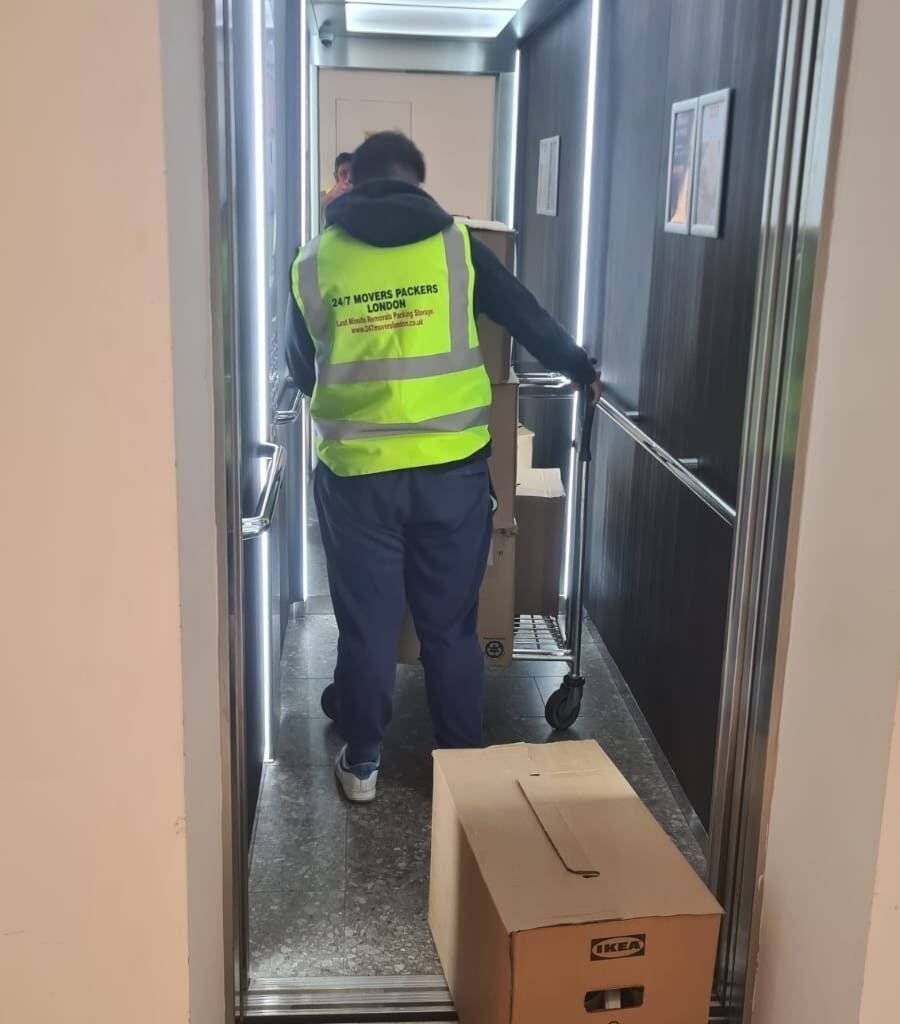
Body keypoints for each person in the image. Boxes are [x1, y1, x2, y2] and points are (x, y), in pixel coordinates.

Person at [286, 131, 600, 802]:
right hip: (451, 476)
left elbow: (297, 368)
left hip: (357, 478)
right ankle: (460, 764)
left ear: (352, 181)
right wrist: (580, 368)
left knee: (367, 628)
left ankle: (364, 762)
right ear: (417, 182)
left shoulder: (313, 261)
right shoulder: (458, 247)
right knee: (450, 628)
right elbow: (527, 319)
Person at [319, 151, 352, 221]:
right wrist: (331, 196)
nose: (349, 177)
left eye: (353, 172)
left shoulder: (363, 197)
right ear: (336, 177)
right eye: (344, 173)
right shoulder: (322, 196)